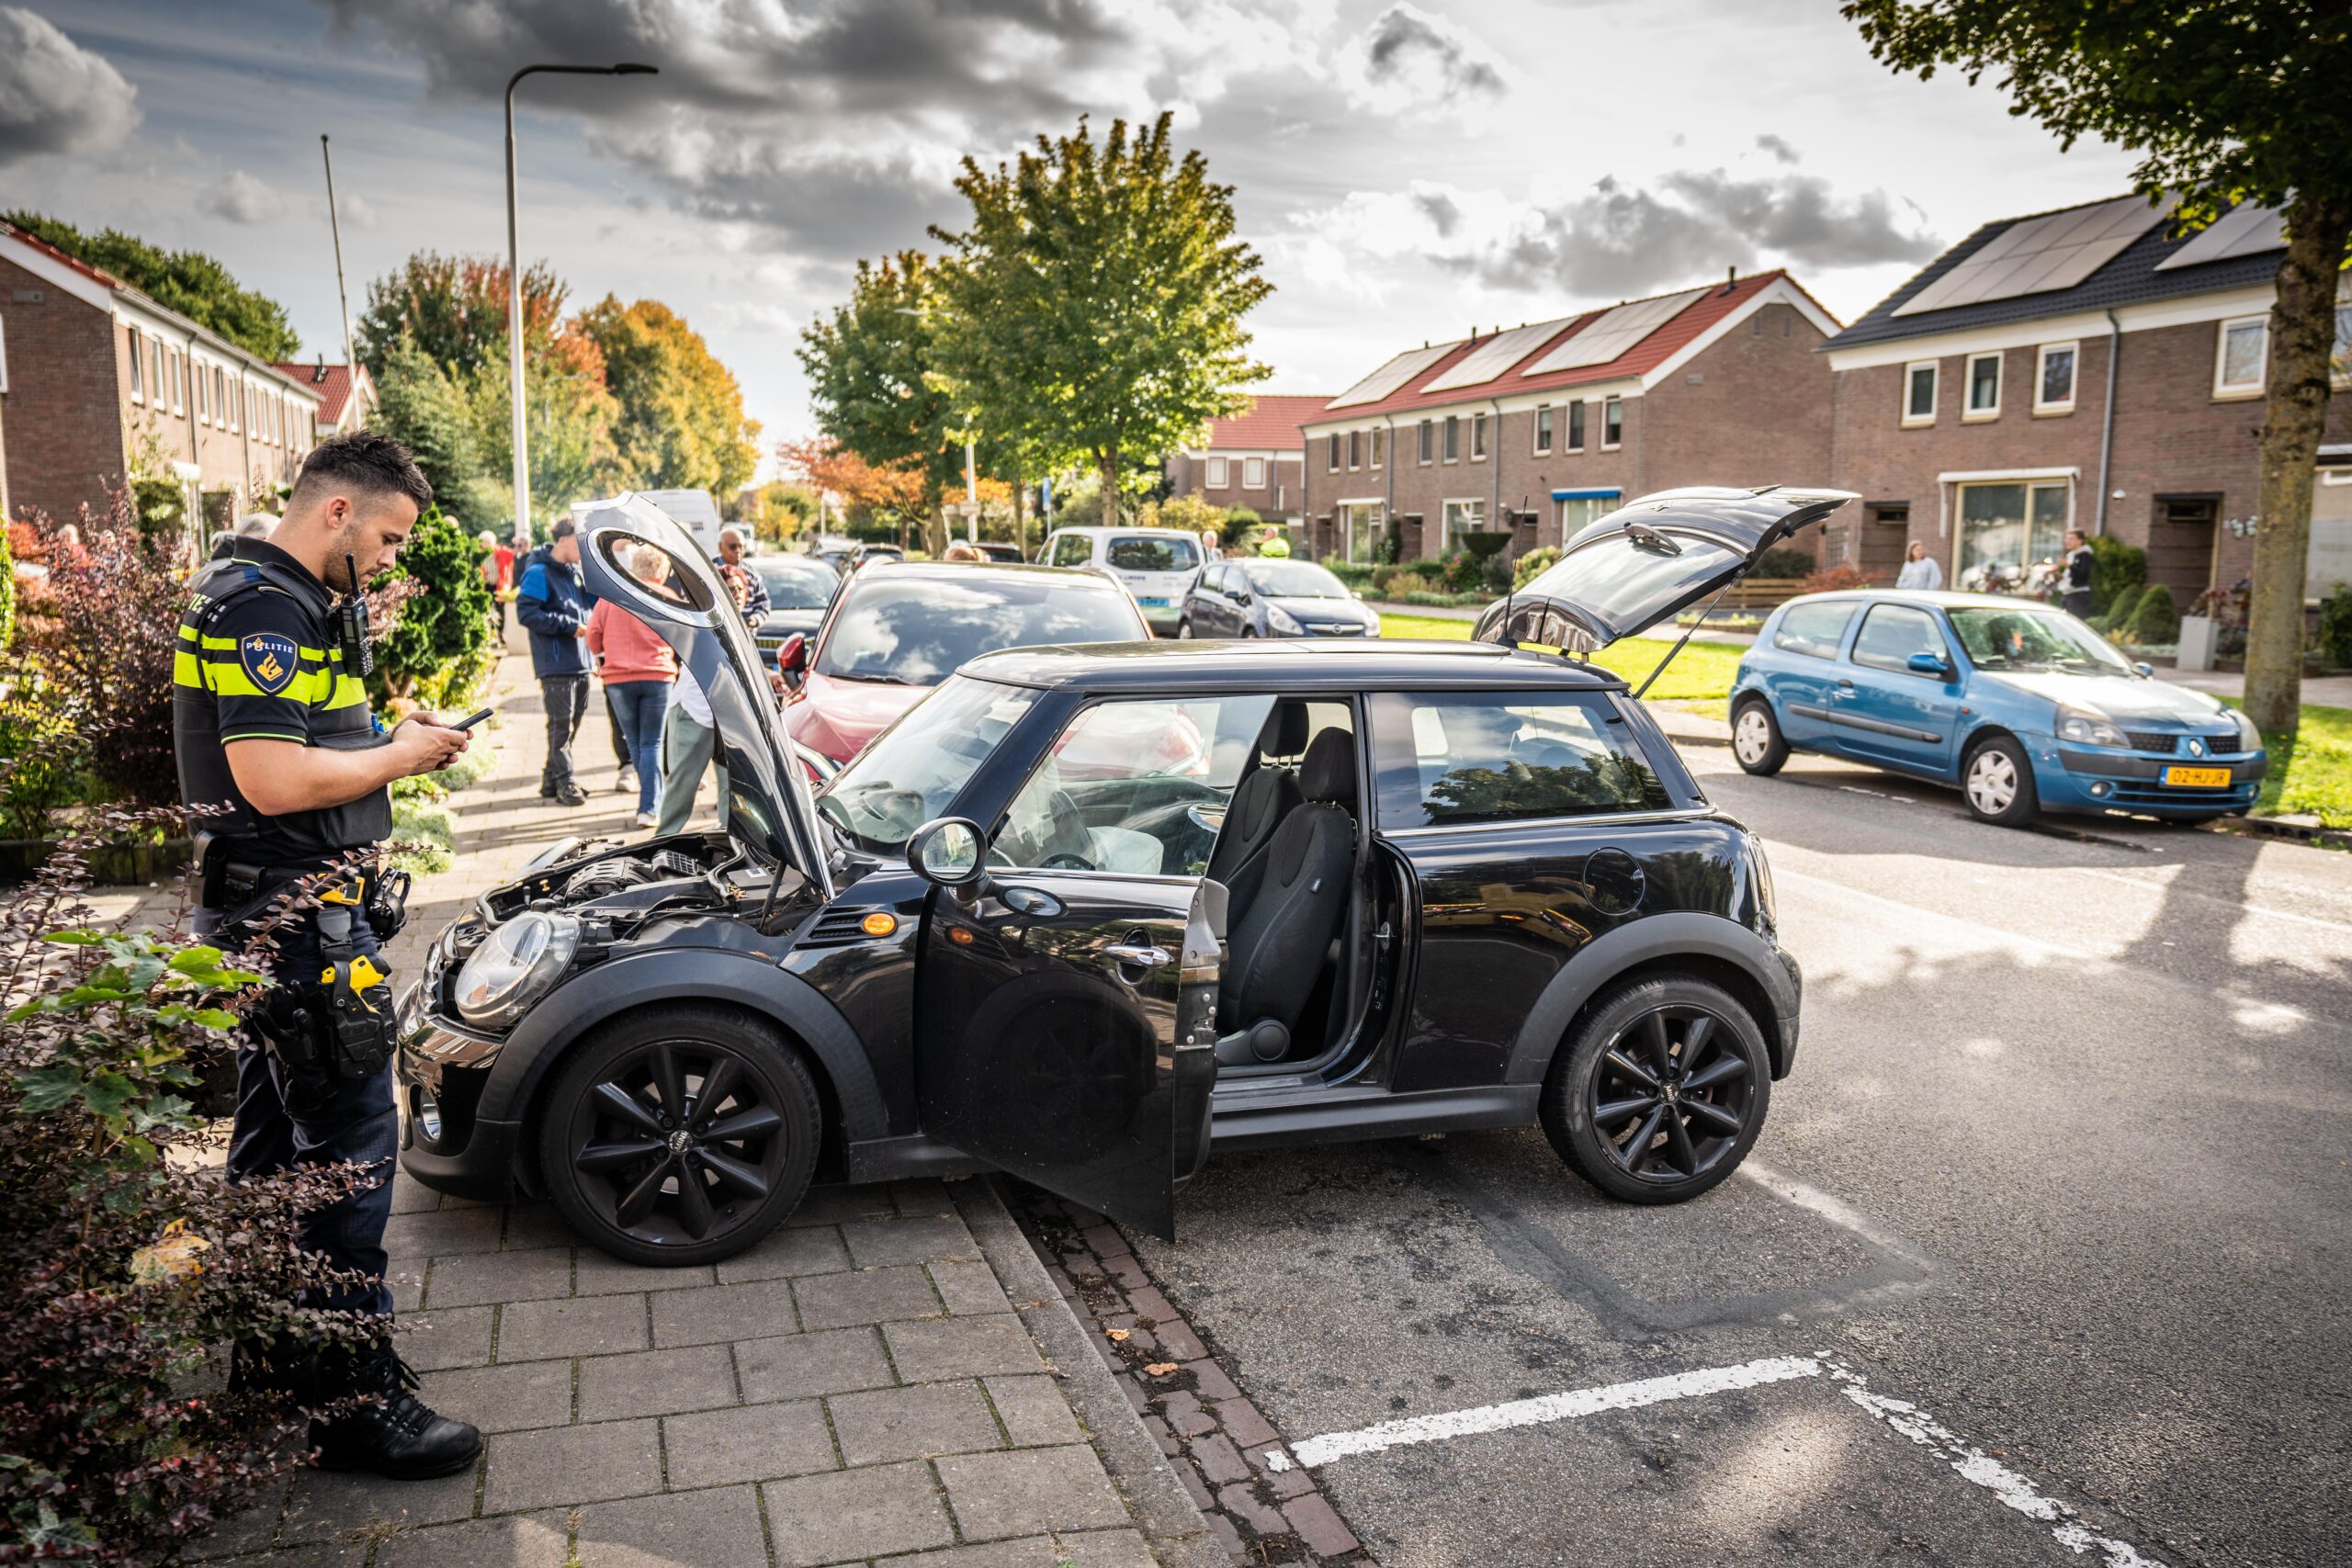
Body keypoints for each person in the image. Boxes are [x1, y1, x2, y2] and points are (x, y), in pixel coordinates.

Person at [171, 431, 481, 1479]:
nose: (394, 559)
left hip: (277, 914)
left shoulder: (254, 585)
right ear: (336, 513)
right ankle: (353, 1402)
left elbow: (300, 740)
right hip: (295, 923)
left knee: (274, 1152)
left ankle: (267, 1359)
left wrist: (386, 730)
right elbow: (269, 778)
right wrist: (401, 754)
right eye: (388, 537)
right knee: (347, 1163)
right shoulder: (268, 607)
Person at [585, 548, 678, 828]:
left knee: (635, 741)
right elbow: (681, 636)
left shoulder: (611, 598)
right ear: (662, 570)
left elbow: (592, 636)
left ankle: (649, 800)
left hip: (617, 679)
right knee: (652, 741)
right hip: (657, 676)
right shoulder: (666, 597)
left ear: (635, 567)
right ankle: (650, 807)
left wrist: (604, 653)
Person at [515, 516, 594, 806]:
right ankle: (566, 783)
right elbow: (527, 613)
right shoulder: (538, 572)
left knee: (573, 724)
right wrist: (568, 624)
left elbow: (594, 607)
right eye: (578, 540)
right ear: (562, 539)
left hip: (581, 661)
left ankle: (551, 780)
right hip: (557, 664)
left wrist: (592, 578)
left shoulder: (575, 572)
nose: (583, 547)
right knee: (561, 727)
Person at [715, 526, 769, 627]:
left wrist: (754, 620)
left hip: (747, 639)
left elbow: (764, 604)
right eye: (733, 546)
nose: (738, 550)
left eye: (741, 546)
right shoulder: (709, 571)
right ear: (720, 546)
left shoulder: (752, 574)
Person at [2060, 529, 2094, 619]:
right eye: (2067, 539)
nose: (2068, 541)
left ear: (2080, 541)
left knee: (2076, 621)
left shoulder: (2084, 555)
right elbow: (2070, 575)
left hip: (2078, 594)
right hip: (2067, 592)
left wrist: (2068, 565)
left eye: (2071, 539)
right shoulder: (2070, 555)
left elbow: (2083, 573)